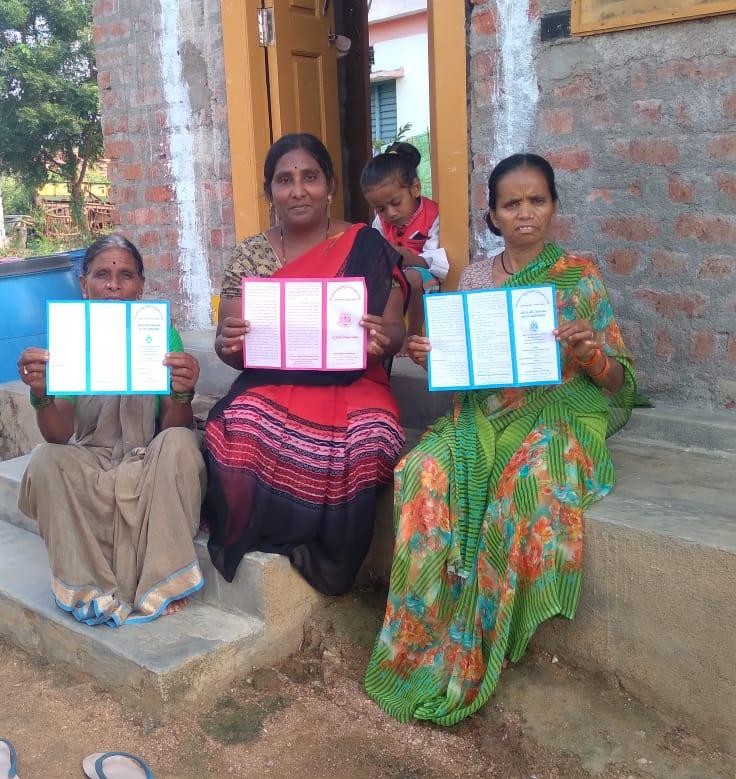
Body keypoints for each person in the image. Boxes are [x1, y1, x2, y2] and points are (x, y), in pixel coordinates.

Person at [365, 153, 637, 724]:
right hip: (482, 414)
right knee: (420, 469)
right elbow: (462, 374)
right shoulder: (474, 279)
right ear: (492, 215)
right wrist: (432, 356)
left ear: (554, 206)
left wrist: (590, 353)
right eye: (511, 203)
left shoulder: (578, 277)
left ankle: (486, 630)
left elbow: (618, 383)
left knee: (526, 480)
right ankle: (417, 639)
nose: (525, 213)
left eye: (537, 200)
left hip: (558, 412)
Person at [204, 133, 409, 596]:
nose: (298, 190)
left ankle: (328, 553)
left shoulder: (365, 246)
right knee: (240, 428)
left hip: (355, 381)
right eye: (284, 180)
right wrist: (229, 342)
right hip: (272, 381)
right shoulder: (251, 254)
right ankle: (273, 531)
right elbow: (227, 344)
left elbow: (395, 331)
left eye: (310, 177)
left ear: (330, 185)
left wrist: (382, 338)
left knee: (369, 436)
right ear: (269, 192)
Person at [16, 234, 205, 627]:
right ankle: (89, 584)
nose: (114, 285)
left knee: (181, 442)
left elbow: (173, 423)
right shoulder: (70, 338)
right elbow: (58, 435)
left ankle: (161, 579)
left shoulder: (161, 335)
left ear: (141, 286)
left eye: (126, 276)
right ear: (84, 285)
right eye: (102, 275)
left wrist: (182, 392)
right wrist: (41, 394)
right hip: (93, 460)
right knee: (45, 459)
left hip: (149, 459)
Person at [361, 142, 449, 348]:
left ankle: (413, 332)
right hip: (397, 275)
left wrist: (406, 257)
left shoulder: (434, 215)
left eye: (396, 203)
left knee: (410, 279)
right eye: (381, 209)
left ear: (415, 188)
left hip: (427, 277)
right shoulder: (380, 222)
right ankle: (381, 332)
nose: (390, 213)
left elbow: (437, 261)